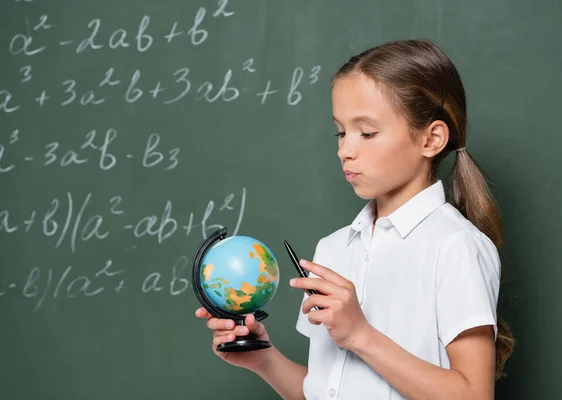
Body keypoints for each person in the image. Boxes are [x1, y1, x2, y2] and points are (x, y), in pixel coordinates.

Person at [195, 39, 515, 400]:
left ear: (432, 139)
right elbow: (324, 390)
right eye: (341, 131)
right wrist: (263, 359)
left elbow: (474, 395)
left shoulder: (456, 247)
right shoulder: (333, 249)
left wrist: (360, 334)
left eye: (367, 133)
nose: (345, 150)